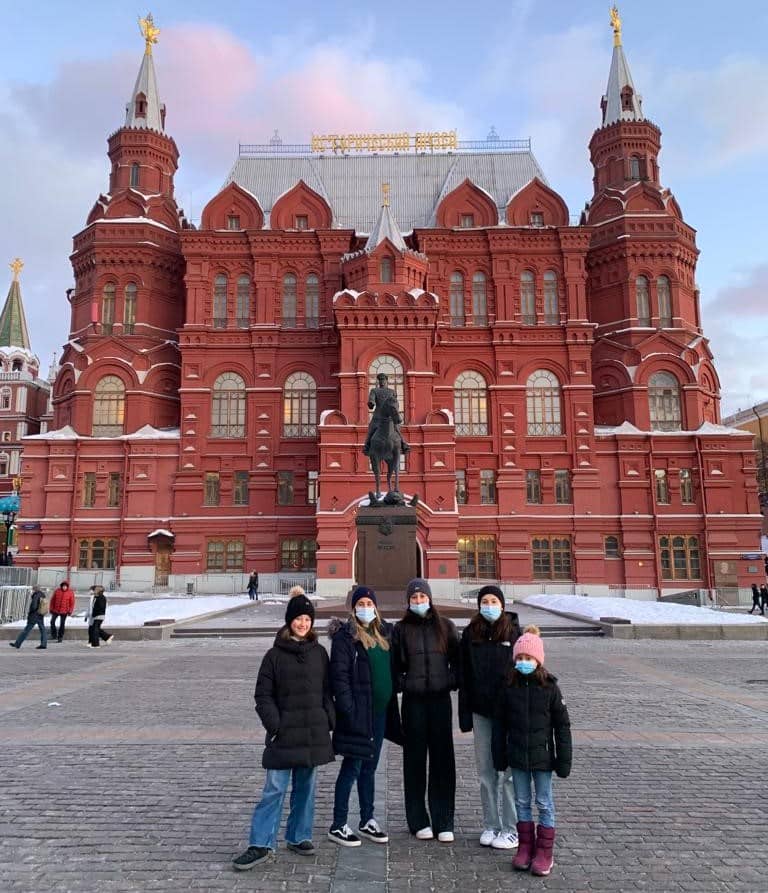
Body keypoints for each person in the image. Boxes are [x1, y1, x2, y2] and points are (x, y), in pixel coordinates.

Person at [232, 587, 335, 871]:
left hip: (313, 732)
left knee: (306, 788)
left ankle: (298, 835)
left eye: (308, 619)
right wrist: (274, 726)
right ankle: (261, 843)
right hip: (285, 733)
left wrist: (329, 718)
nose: (303, 624)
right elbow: (262, 696)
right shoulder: (273, 656)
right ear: (289, 621)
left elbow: (328, 691)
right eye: (298, 619)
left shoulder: (319, 654)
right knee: (274, 789)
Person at [492, 625, 572, 877]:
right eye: (520, 658)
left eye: (529, 658)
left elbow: (562, 726)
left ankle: (545, 852)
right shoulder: (508, 688)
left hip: (543, 759)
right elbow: (499, 725)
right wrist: (499, 756)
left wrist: (563, 760)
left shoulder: (550, 688)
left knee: (544, 803)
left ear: (538, 660)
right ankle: (525, 847)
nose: (524, 662)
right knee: (522, 802)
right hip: (517, 757)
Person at [327, 585, 402, 847]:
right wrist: (348, 710)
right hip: (358, 714)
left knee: (369, 767)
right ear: (353, 608)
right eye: (361, 604)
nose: (366, 609)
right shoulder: (345, 638)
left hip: (380, 713)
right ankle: (338, 824)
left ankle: (367, 819)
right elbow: (339, 678)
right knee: (351, 768)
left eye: (370, 604)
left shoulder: (384, 633)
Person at [392, 577, 459, 842]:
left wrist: (448, 681)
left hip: (440, 701)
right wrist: (406, 683)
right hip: (413, 702)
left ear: (429, 598)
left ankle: (444, 820)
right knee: (415, 761)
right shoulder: (400, 630)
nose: (418, 602)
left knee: (443, 761)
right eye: (414, 598)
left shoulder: (446, 627)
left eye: (422, 597)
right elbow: (394, 666)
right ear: (408, 602)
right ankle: (418, 819)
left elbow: (459, 663)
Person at [459, 584, 522, 850]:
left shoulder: (515, 633)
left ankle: (511, 829)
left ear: (502, 605)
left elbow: (525, 673)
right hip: (481, 711)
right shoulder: (470, 633)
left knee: (508, 773)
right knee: (485, 772)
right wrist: (465, 714)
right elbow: (463, 674)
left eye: (493, 600)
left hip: (508, 714)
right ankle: (490, 824)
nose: (489, 605)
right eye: (484, 601)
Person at [363, 372, 410, 455]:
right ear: (378, 381)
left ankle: (403, 444)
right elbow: (371, 400)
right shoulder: (374, 391)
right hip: (377, 416)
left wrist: (395, 414)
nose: (382, 381)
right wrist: (371, 403)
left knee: (397, 429)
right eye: (380, 380)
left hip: (390, 417)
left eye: (383, 379)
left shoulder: (392, 392)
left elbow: (395, 404)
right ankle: (366, 446)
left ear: (386, 381)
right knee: (371, 429)